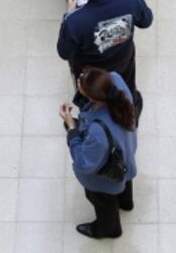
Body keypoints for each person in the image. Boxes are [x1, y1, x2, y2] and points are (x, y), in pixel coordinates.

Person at [57, 0, 153, 100]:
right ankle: (130, 106)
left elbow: (64, 52)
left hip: (92, 71)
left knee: (93, 97)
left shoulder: (75, 21)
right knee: (126, 86)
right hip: (123, 58)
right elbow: (146, 21)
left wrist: (69, 14)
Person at [60, 66, 137, 239]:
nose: (79, 78)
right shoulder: (116, 81)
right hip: (125, 154)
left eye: (82, 81)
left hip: (105, 179)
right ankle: (126, 203)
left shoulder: (97, 132)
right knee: (124, 178)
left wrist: (72, 127)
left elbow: (84, 163)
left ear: (93, 97)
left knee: (104, 202)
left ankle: (109, 229)